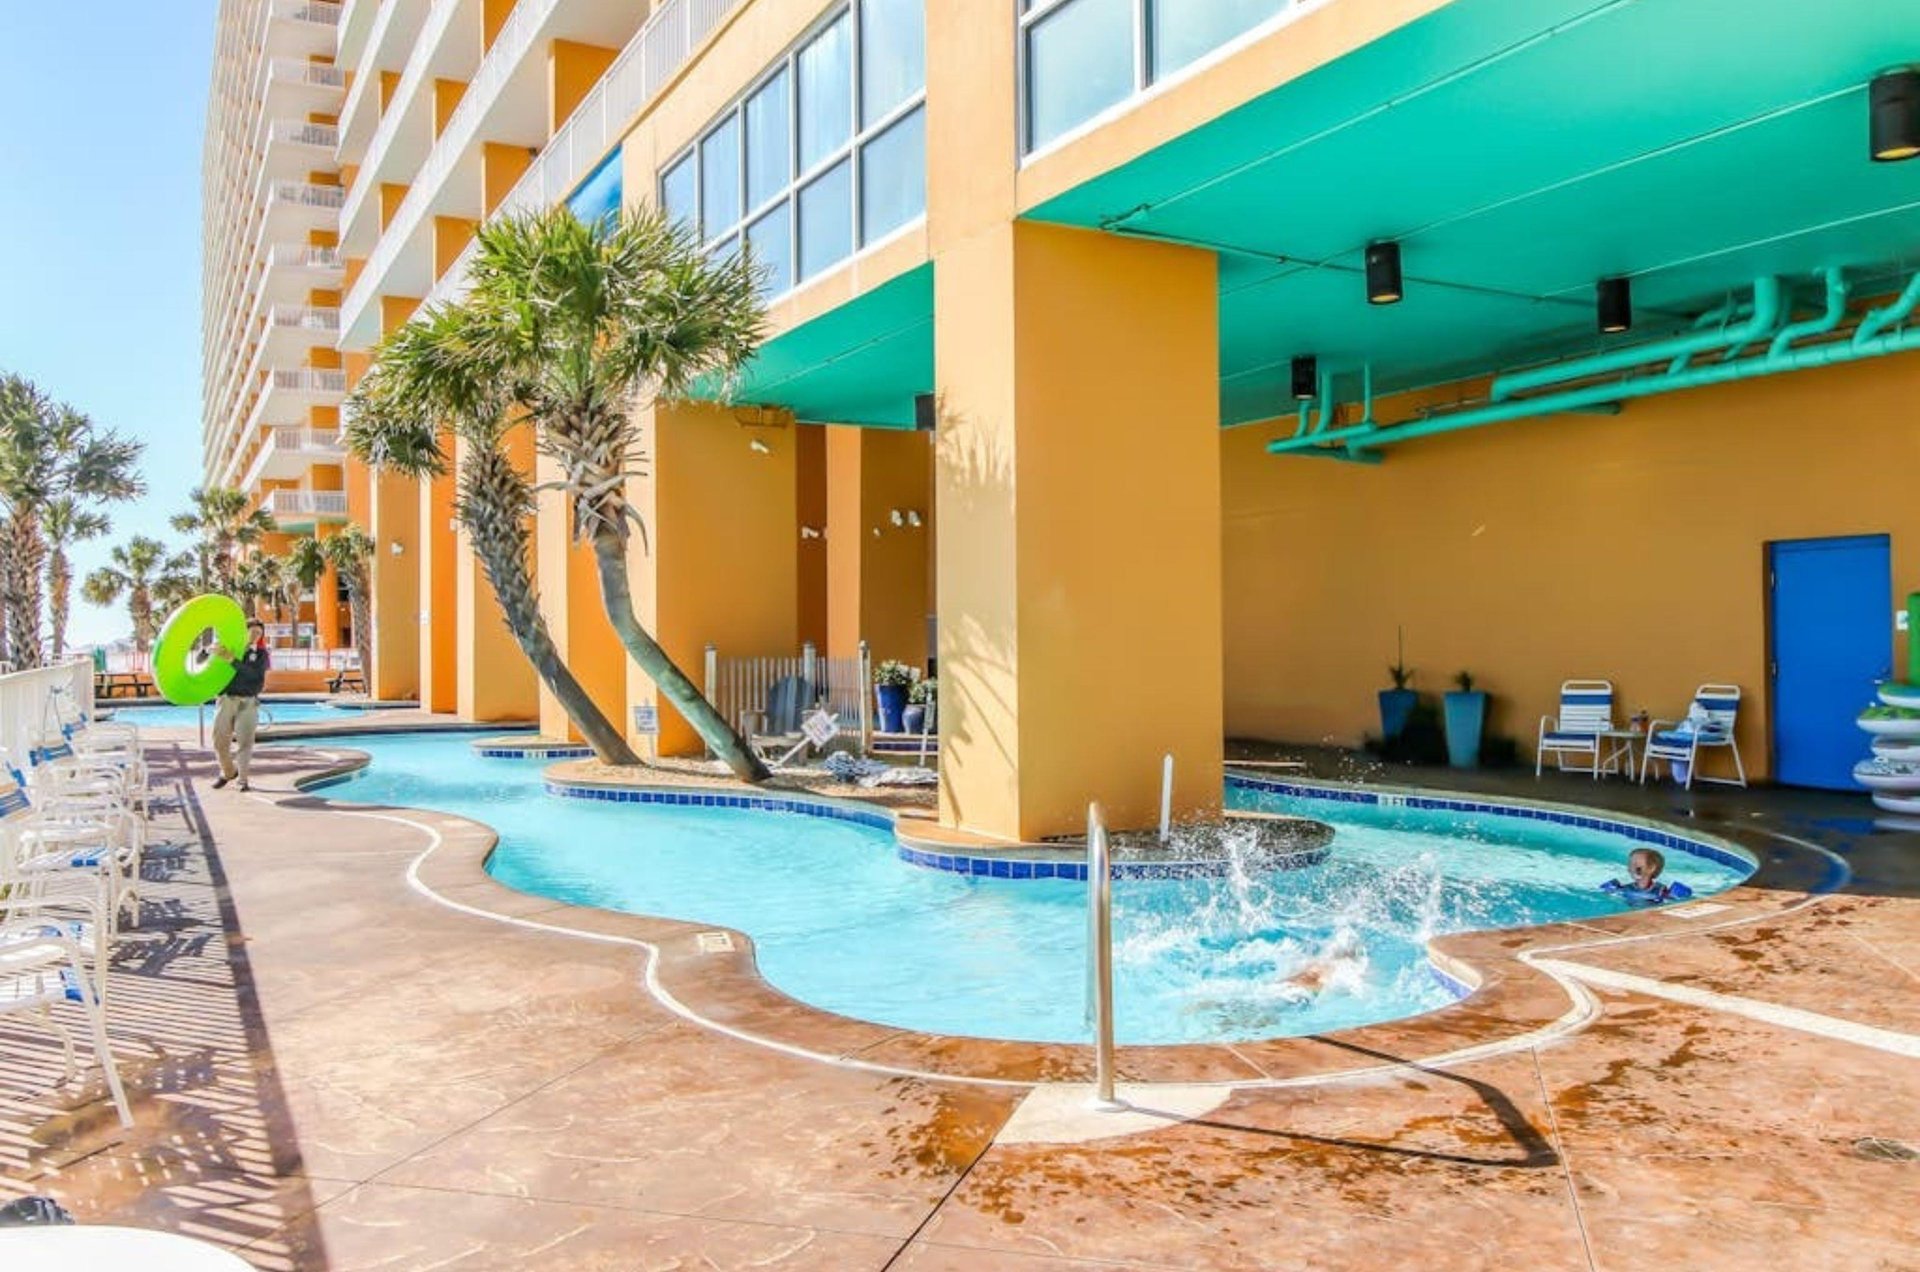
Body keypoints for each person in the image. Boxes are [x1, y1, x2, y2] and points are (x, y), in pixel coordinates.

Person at [212, 619, 270, 792]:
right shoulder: (226, 649)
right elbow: (207, 667)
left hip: (248, 702)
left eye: (259, 633)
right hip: (226, 700)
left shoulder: (261, 655)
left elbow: (254, 675)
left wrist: (232, 661)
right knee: (219, 740)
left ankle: (243, 780)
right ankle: (228, 772)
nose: (255, 635)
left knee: (245, 742)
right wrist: (209, 651)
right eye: (252, 631)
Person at [1601, 847, 1693, 905]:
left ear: (1651, 868)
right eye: (1630, 864)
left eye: (1636, 865)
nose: (1630, 868)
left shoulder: (1661, 891)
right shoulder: (1625, 888)